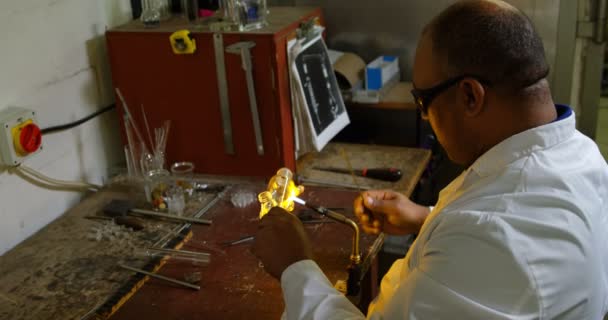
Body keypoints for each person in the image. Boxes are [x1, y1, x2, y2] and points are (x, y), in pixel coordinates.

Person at [253, 0, 608, 318]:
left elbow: (496, 238)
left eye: (423, 101)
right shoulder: (584, 156)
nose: (424, 116)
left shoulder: (492, 239)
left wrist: (295, 266)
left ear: (470, 95)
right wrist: (427, 219)